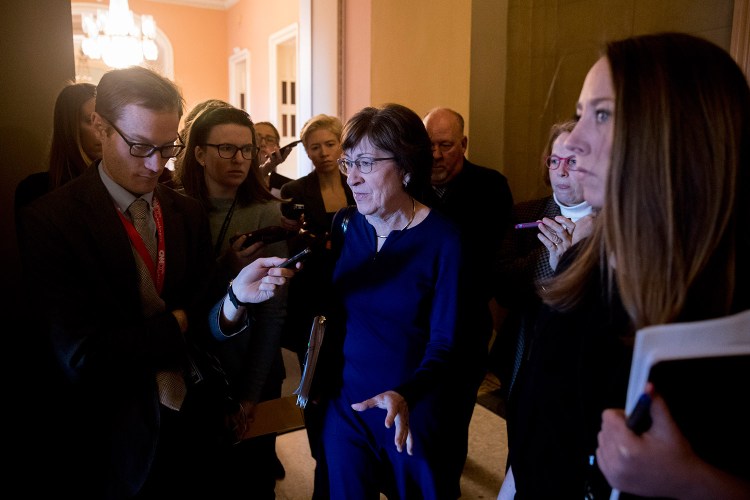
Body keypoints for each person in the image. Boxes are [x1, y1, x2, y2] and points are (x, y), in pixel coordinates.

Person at [16, 66, 295, 499]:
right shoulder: (52, 220)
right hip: (116, 432)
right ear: (100, 127)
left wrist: (234, 298)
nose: (155, 165)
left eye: (167, 147)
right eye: (140, 146)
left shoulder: (184, 211)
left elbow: (205, 322)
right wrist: (179, 322)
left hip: (196, 421)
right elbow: (83, 356)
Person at [500, 32, 750, 499]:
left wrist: (695, 482)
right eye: (580, 115)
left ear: (680, 133)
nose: (571, 143)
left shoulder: (731, 308)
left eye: (603, 115)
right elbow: (535, 436)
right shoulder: (581, 263)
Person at [319, 103, 466, 499]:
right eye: (347, 162)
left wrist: (407, 394)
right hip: (347, 406)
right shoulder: (346, 224)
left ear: (406, 166)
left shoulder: (444, 239)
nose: (351, 177)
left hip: (411, 409)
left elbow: (446, 342)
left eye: (365, 163)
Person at [174, 105, 288, 495]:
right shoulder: (172, 208)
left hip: (251, 368)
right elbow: (175, 298)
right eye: (226, 148)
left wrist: (251, 394)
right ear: (200, 153)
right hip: (191, 371)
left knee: (253, 481)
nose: (240, 159)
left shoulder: (266, 213)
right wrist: (226, 268)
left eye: (247, 149)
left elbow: (273, 315)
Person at [422, 106, 513, 487]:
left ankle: (444, 487)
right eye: (429, 145)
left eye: (446, 145)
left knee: (455, 414)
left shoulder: (490, 186)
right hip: (417, 322)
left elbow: (496, 261)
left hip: (465, 323)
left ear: (464, 144)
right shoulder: (411, 182)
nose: (436, 154)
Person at [277, 113, 354, 498]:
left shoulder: (360, 183)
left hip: (355, 300)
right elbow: (293, 251)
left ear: (342, 145)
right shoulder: (295, 191)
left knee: (350, 380)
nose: (323, 153)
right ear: (305, 151)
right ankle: (323, 458)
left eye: (330, 144)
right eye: (314, 146)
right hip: (312, 304)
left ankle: (349, 457)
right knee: (314, 384)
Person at [489, 119, 593, 398]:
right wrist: (553, 257)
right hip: (530, 353)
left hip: (590, 358)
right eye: (554, 160)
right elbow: (504, 288)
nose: (560, 171)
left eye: (572, 162)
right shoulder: (525, 214)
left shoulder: (615, 221)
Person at [14, 81, 100, 214]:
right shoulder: (35, 190)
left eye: (107, 120)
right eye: (91, 120)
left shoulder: (120, 185)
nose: (102, 129)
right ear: (70, 128)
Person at [255, 120, 294, 196]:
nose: (263, 144)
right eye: (257, 138)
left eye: (269, 140)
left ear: (278, 148)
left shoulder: (289, 187)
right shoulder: (236, 180)